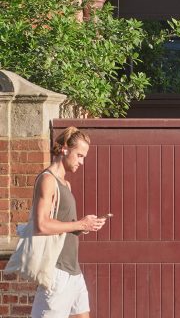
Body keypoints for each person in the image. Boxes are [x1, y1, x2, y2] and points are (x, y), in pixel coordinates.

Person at [29, 126, 105, 318]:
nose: (82, 161)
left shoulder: (66, 183)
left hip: (73, 270)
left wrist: (86, 226)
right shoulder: (48, 180)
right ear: (64, 149)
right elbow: (42, 225)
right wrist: (80, 224)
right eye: (79, 155)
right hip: (56, 272)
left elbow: (62, 226)